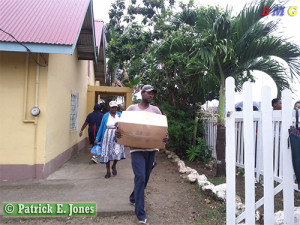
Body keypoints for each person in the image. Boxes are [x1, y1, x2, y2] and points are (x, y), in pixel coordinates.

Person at [116, 85, 168, 225]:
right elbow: (122, 127)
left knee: (144, 178)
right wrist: (118, 133)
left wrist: (164, 137)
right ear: (142, 93)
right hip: (136, 149)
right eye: (149, 92)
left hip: (151, 150)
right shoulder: (132, 109)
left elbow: (162, 129)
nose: (151, 95)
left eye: (153, 93)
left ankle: (133, 197)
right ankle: (140, 214)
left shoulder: (156, 110)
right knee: (140, 177)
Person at [94, 101, 125, 178]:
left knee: (117, 152)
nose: (114, 109)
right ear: (109, 107)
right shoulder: (105, 116)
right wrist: (97, 138)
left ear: (117, 108)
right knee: (107, 153)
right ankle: (108, 171)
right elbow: (101, 127)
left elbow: (124, 125)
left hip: (117, 136)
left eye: (115, 107)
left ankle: (114, 166)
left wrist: (119, 124)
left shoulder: (120, 115)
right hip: (107, 136)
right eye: (112, 107)